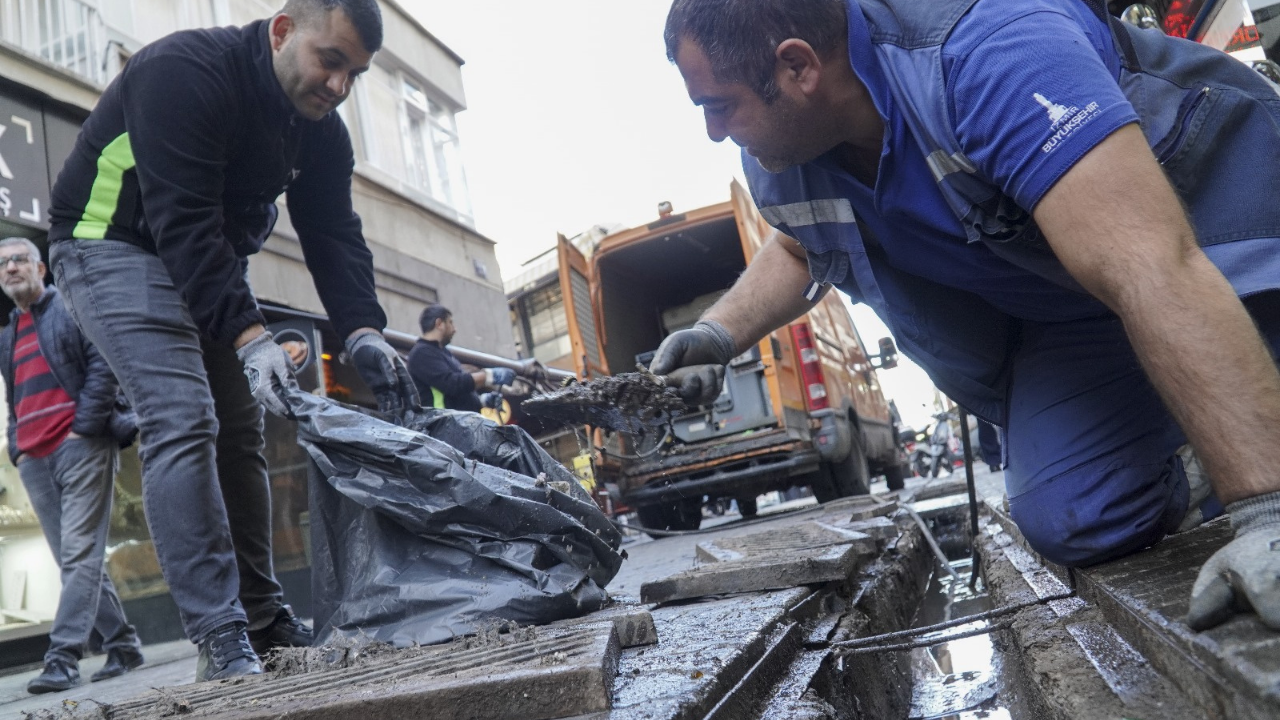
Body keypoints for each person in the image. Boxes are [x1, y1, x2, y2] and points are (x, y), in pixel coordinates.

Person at [656, 0, 1280, 631]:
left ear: (798, 67)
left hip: (1219, 244)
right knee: (1074, 514)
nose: (713, 130)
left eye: (718, 104)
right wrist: (717, 333)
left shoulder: (986, 52)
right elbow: (798, 245)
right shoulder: (786, 159)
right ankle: (1205, 446)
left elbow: (1148, 265)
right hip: (1081, 315)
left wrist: (1265, 508)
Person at [45, 0, 418, 681]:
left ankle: (262, 620)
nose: (337, 86)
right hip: (110, 243)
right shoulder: (184, 72)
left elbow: (333, 233)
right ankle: (221, 640)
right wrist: (250, 335)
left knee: (239, 432)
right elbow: (181, 218)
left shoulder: (320, 131)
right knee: (182, 418)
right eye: (328, 61)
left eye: (353, 75)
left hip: (201, 253)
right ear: (282, 32)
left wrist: (363, 330)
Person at [0, 237, 143, 693]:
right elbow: (15, 400)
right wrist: (15, 446)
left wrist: (84, 428)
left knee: (79, 554)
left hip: (79, 447)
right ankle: (122, 642)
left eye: (19, 259)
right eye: (2, 264)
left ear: (40, 267)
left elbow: (104, 367)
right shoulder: (9, 332)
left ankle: (62, 656)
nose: (10, 268)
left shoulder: (70, 308)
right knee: (72, 558)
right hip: (34, 459)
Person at [408, 305, 516, 412]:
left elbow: (457, 392)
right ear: (439, 324)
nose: (455, 329)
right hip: (443, 426)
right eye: (450, 322)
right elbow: (452, 384)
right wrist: (490, 376)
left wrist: (482, 400)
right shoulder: (421, 354)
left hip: (455, 424)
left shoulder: (441, 352)